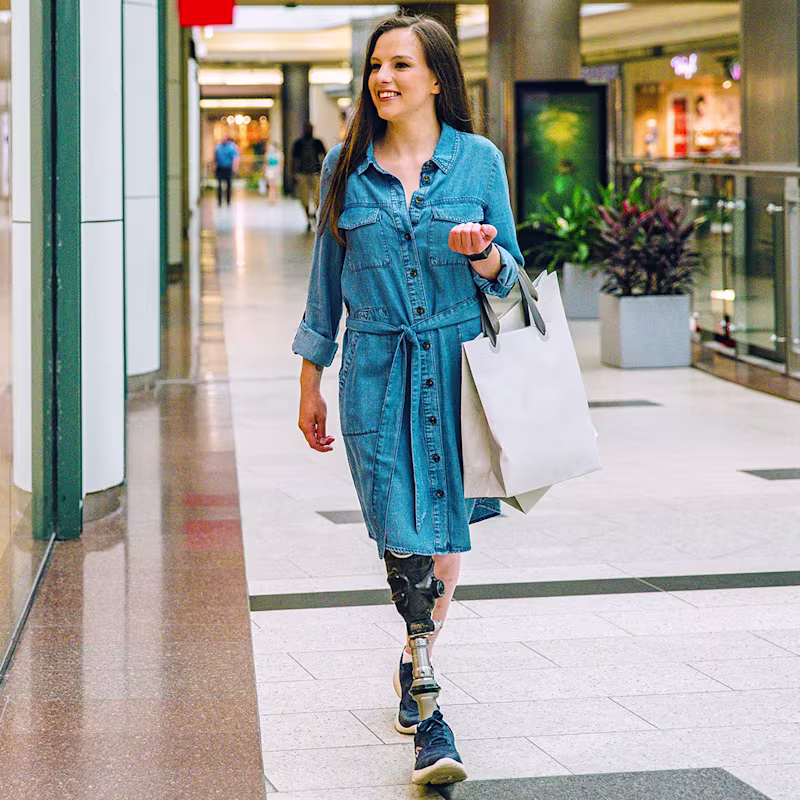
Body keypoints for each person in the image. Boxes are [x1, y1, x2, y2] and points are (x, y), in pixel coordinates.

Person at [292, 14, 522, 787]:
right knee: (403, 533)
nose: (382, 79)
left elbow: (512, 280)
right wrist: (309, 382)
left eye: (400, 65)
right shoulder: (344, 169)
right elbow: (325, 286)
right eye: (374, 66)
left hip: (457, 370)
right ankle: (431, 708)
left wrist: (485, 252)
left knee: (444, 533)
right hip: (377, 371)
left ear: (435, 78)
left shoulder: (479, 162)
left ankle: (414, 663)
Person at [290, 123, 326, 229]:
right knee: (304, 198)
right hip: (302, 174)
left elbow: (325, 155)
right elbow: (293, 160)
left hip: (316, 173)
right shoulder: (298, 144)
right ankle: (308, 219)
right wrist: (293, 174)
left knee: (318, 198)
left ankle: (315, 214)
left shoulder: (317, 143)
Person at [214, 136, 239, 206]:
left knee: (228, 185)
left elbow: (235, 157)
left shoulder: (231, 147)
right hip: (220, 168)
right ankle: (219, 201)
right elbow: (215, 157)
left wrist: (234, 167)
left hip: (228, 168)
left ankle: (228, 200)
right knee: (219, 185)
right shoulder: (218, 147)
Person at [264, 139, 283, 203]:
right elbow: (266, 163)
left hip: (276, 170)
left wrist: (280, 170)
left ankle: (275, 197)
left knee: (274, 185)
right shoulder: (268, 154)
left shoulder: (279, 154)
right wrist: (264, 170)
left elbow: (281, 163)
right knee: (271, 185)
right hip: (270, 170)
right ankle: (271, 198)